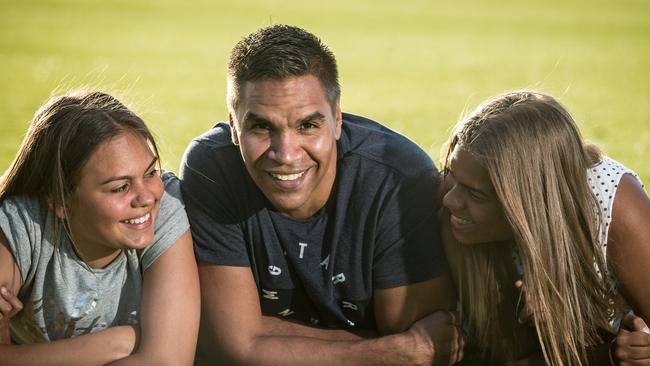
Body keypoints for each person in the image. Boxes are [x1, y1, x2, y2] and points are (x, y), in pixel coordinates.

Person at [180, 24, 462, 365]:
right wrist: (382, 353)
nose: (285, 154)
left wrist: (260, 336)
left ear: (338, 119)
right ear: (234, 127)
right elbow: (234, 346)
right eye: (261, 127)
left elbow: (428, 348)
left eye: (308, 126)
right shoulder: (213, 168)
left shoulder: (397, 178)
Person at [440, 90, 650, 365]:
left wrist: (630, 350)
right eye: (450, 174)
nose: (449, 199)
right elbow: (516, 359)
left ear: (528, 202)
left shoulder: (615, 204)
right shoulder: (454, 203)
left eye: (476, 195)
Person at [0, 90, 200, 365]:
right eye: (120, 187)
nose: (146, 197)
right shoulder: (21, 225)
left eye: (151, 173)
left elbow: (167, 360)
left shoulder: (165, 209)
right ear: (61, 200)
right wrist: (117, 344)